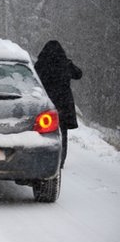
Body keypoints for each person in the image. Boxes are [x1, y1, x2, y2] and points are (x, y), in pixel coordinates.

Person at [34, 40, 82, 168]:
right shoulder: (65, 64)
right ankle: (61, 161)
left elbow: (34, 79)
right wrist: (69, 63)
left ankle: (44, 158)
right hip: (64, 103)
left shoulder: (41, 64)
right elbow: (78, 74)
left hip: (47, 101)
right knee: (63, 132)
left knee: (44, 131)